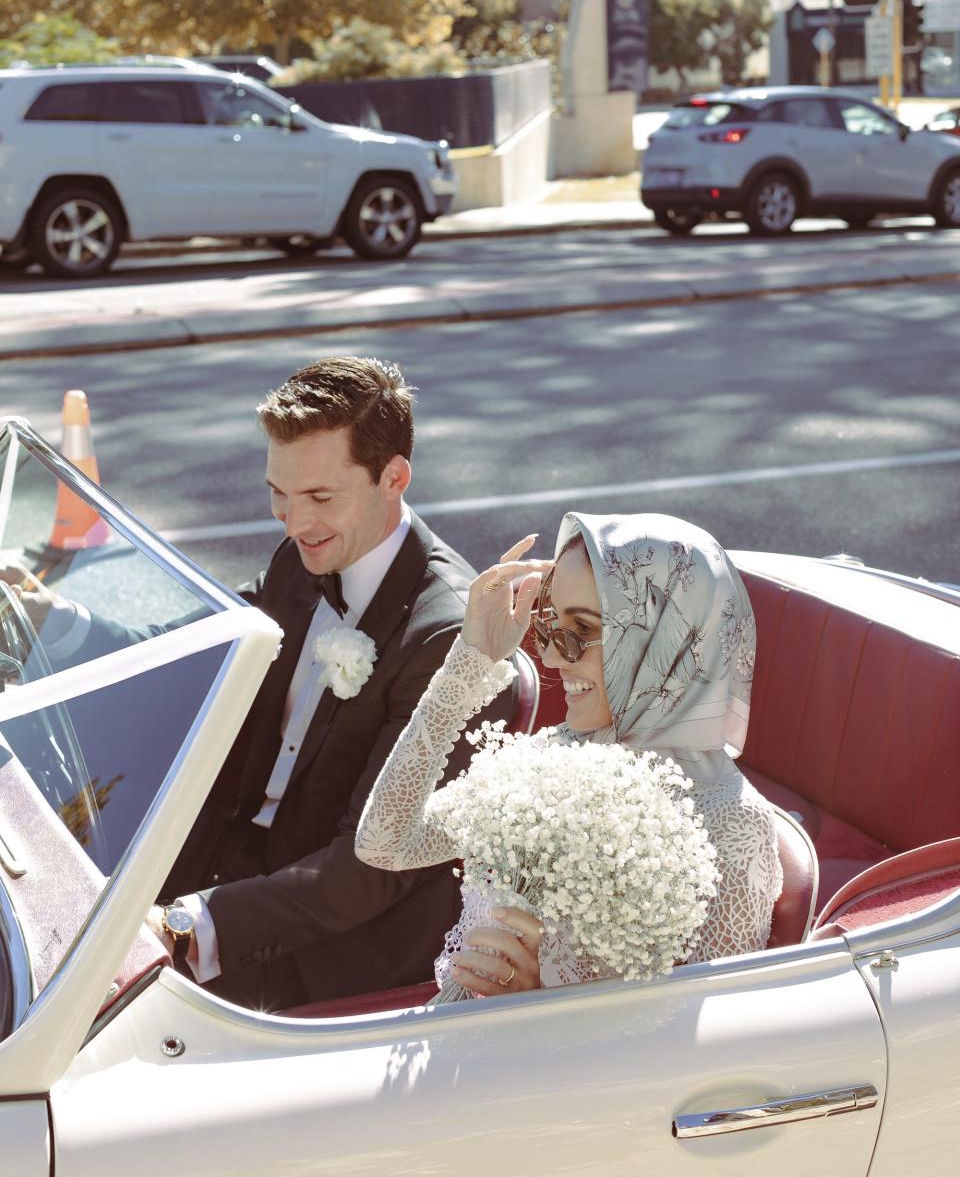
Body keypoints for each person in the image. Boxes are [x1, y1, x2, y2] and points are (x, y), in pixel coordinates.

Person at [6, 357, 517, 1011]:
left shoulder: (449, 639)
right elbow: (191, 652)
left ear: (394, 478)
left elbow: (366, 873)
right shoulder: (303, 556)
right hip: (223, 862)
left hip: (323, 942)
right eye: (278, 492)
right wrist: (53, 620)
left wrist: (187, 924)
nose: (292, 520)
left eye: (319, 497)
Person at [355, 512, 783, 998]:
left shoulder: (732, 825)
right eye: (549, 625)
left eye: (582, 629)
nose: (553, 657)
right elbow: (384, 844)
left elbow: (718, 1037)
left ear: (665, 636)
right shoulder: (557, 756)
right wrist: (471, 659)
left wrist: (541, 1000)